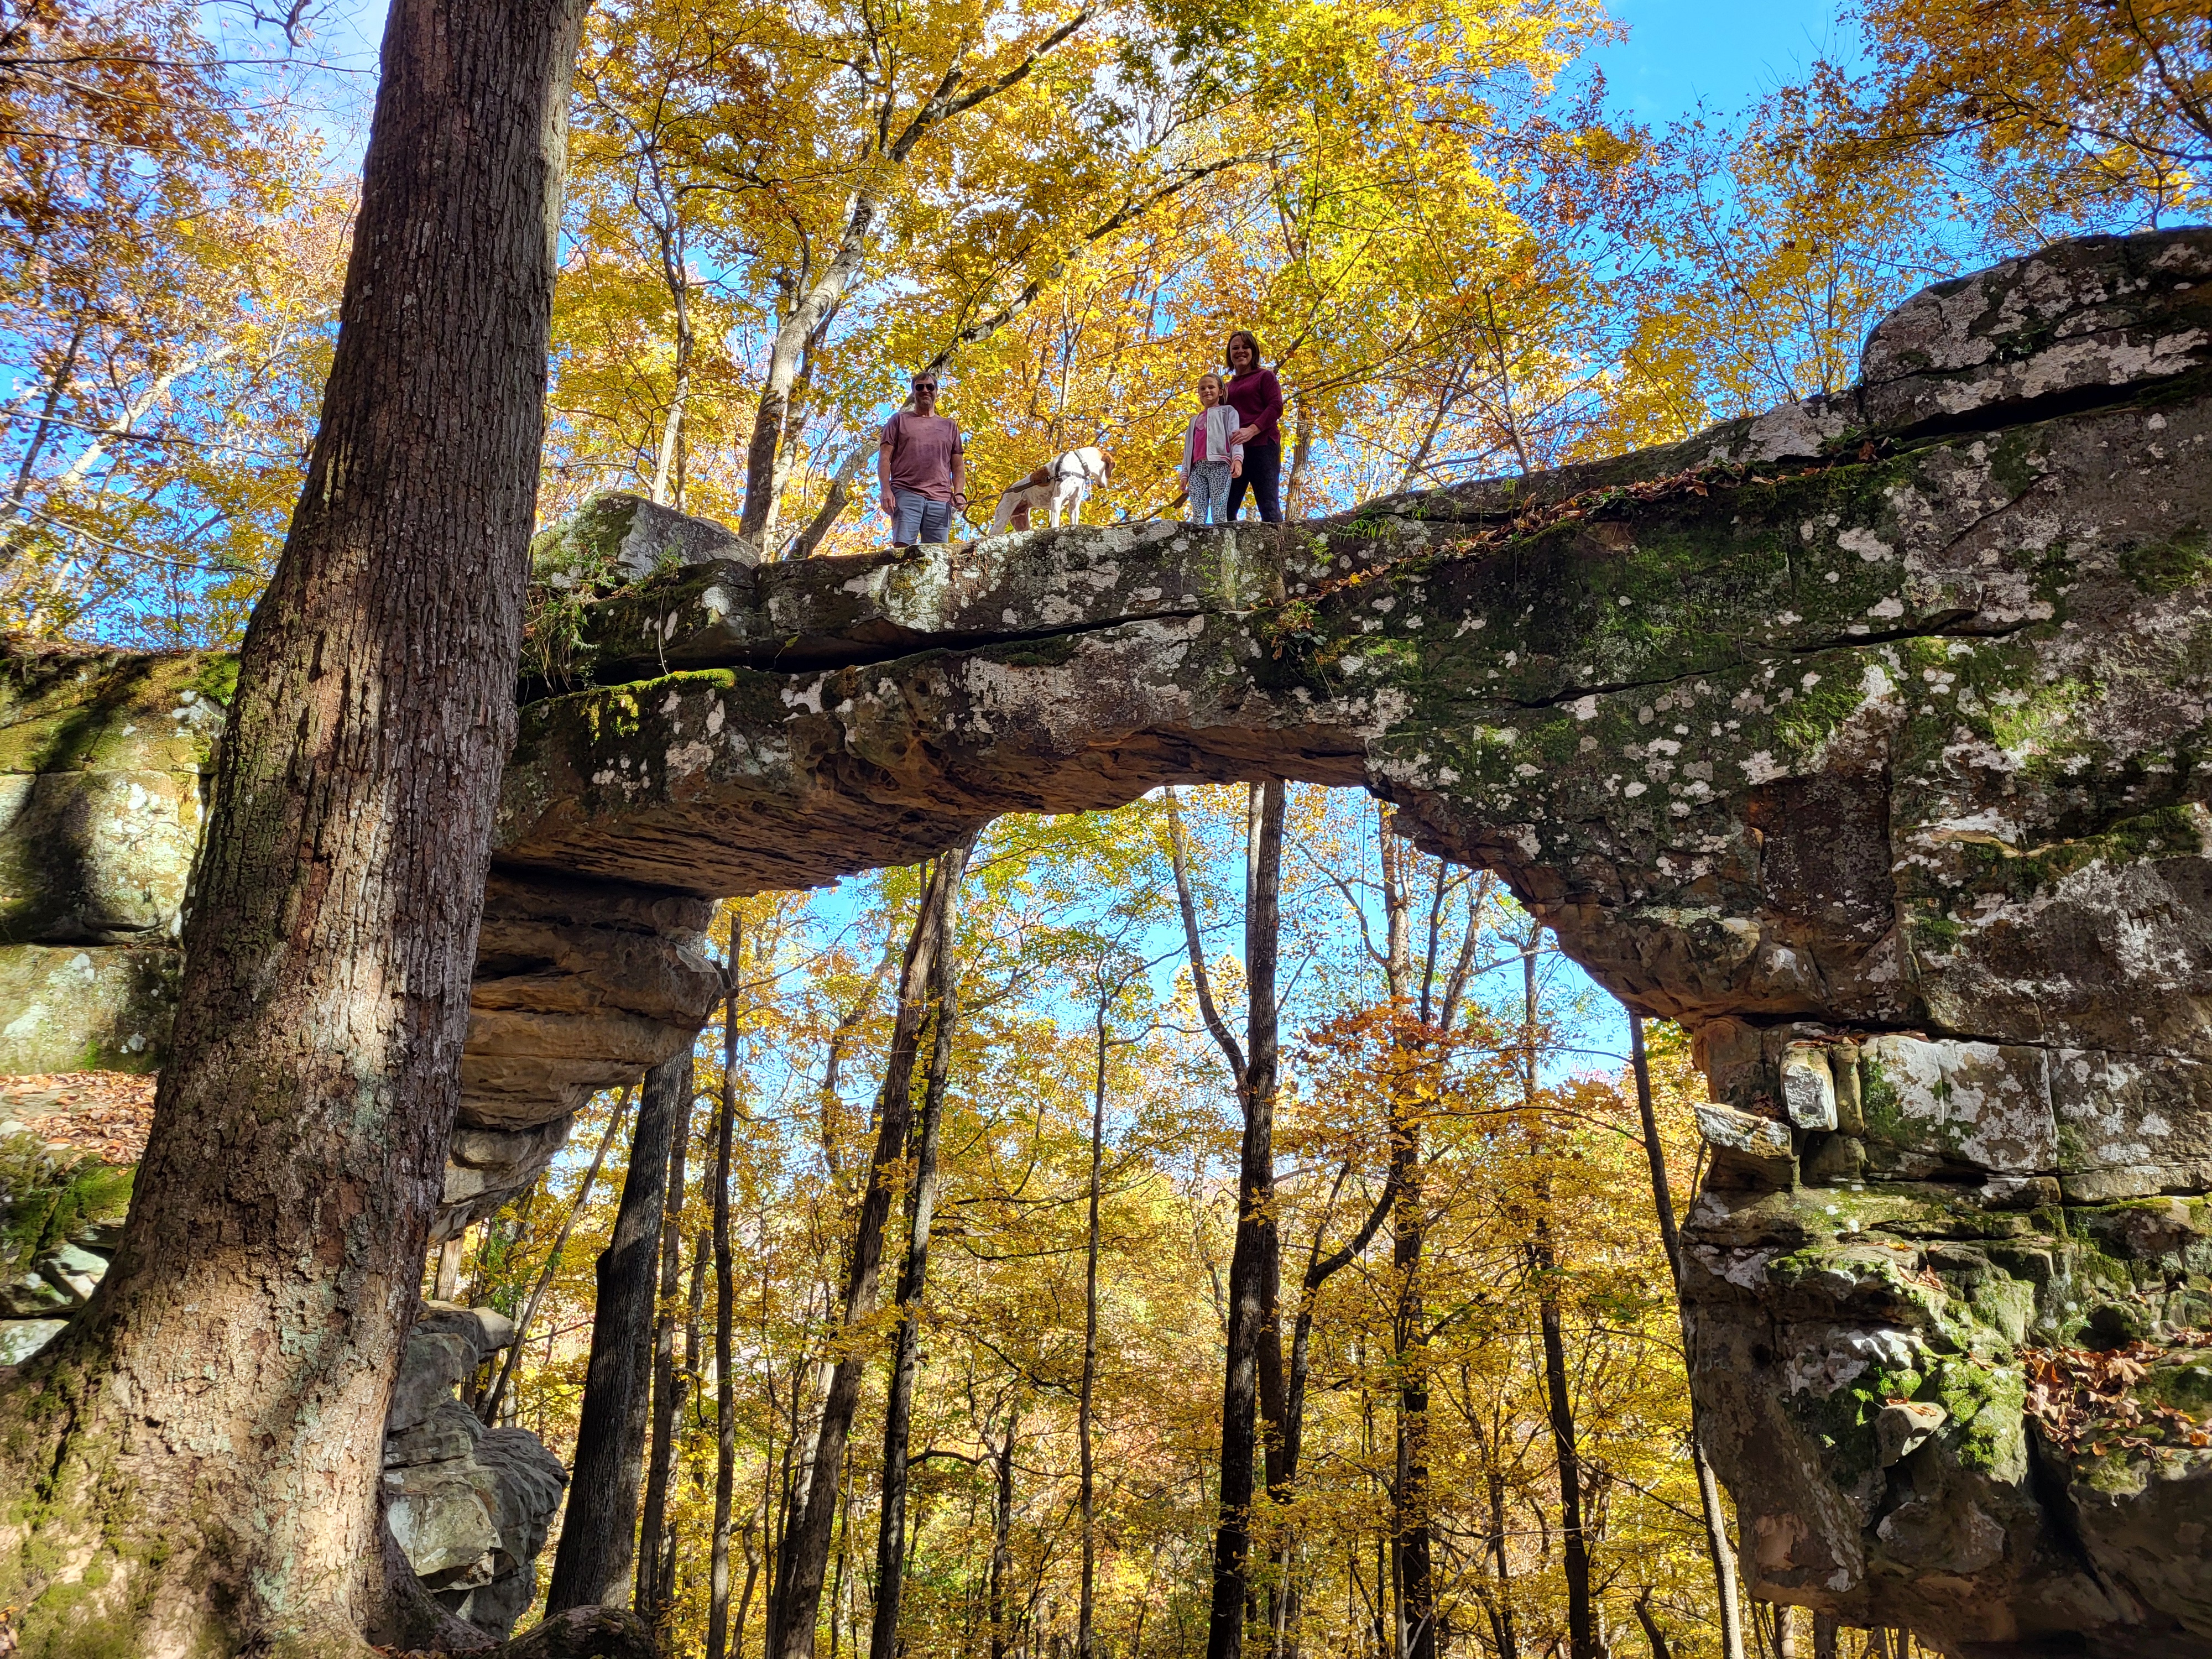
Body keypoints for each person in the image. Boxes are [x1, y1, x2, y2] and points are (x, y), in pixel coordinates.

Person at [878, 371, 967, 547]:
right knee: (902, 550)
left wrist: (959, 493)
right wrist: (886, 491)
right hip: (905, 493)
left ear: (936, 392)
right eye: (920, 387)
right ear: (914, 392)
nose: (925, 390)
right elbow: (885, 458)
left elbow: (958, 467)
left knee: (937, 554)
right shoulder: (899, 420)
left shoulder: (950, 427)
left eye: (930, 387)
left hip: (941, 500)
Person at [1220, 329, 1283, 523]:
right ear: (1230, 354)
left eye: (1245, 347)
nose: (1240, 351)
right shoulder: (1226, 388)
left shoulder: (1265, 377)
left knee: (1268, 505)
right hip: (1234, 453)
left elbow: (1276, 407)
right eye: (1235, 348)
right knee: (1224, 509)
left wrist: (1252, 430)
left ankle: (1279, 542)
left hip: (1263, 446)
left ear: (1253, 351)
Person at [1179, 371, 1244, 525]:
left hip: (1219, 466)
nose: (1207, 391)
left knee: (1219, 510)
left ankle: (1221, 537)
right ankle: (1198, 538)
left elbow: (1235, 437)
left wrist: (1237, 459)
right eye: (1202, 388)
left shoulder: (1228, 412)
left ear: (1220, 392)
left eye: (1211, 387)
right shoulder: (1194, 421)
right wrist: (1185, 474)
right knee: (1198, 513)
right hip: (1197, 470)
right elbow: (1188, 450)